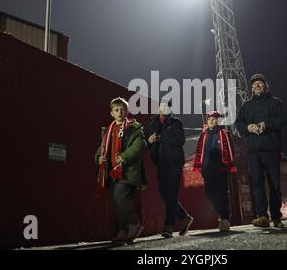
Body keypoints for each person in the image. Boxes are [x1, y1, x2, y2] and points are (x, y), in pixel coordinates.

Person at [235, 74, 287, 228]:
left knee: (275, 185)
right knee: (257, 183)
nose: (257, 85)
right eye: (254, 84)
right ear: (251, 88)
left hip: (271, 149)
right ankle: (262, 216)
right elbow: (238, 123)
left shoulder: (276, 103)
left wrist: (267, 124)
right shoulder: (246, 106)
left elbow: (284, 119)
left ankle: (277, 217)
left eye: (260, 83)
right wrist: (247, 127)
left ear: (266, 85)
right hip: (253, 151)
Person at [95, 97, 148, 245]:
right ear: (111, 113)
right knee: (118, 203)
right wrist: (99, 158)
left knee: (120, 198)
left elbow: (140, 146)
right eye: (116, 110)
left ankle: (134, 225)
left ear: (127, 112)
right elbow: (101, 150)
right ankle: (123, 232)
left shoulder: (134, 128)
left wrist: (124, 156)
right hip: (112, 173)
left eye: (122, 110)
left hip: (127, 171)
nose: (120, 112)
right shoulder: (109, 130)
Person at [147, 99, 193, 238]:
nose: (164, 108)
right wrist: (150, 141)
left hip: (174, 162)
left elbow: (180, 140)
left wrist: (161, 137)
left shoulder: (176, 122)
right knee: (163, 193)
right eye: (162, 105)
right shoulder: (152, 123)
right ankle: (184, 217)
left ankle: (169, 226)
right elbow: (147, 142)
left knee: (172, 193)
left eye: (167, 106)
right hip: (161, 163)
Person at [193, 111, 236, 232]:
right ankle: (222, 213)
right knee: (209, 192)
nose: (211, 121)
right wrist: (200, 166)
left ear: (218, 121)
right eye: (209, 119)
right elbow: (199, 151)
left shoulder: (224, 133)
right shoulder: (203, 135)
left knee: (222, 193)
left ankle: (224, 218)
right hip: (207, 169)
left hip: (221, 169)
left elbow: (230, 150)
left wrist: (228, 165)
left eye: (214, 119)